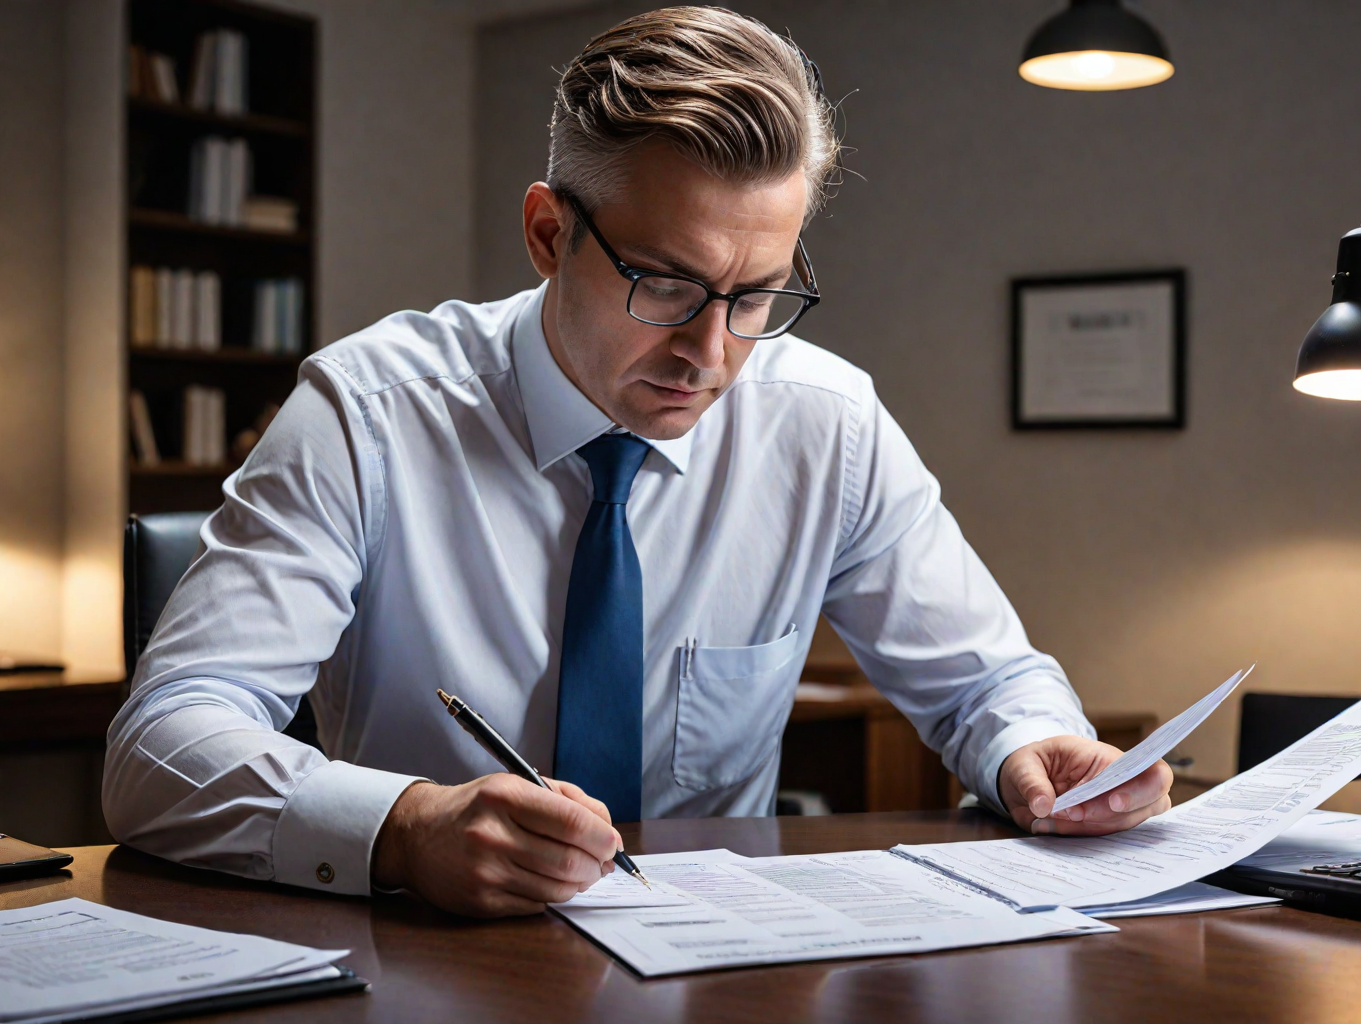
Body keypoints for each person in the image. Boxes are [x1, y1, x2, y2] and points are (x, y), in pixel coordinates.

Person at [103, 6, 1172, 918]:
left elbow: (987, 679)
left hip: (719, 963)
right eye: (664, 283)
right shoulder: (366, 413)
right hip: (422, 961)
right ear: (545, 231)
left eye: (756, 297)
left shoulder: (825, 424)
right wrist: (403, 825)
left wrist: (1036, 746)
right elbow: (159, 748)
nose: (710, 355)